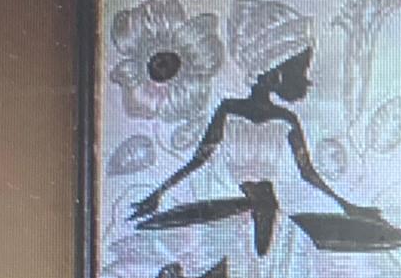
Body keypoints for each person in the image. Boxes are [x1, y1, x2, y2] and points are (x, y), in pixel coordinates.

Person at [130, 48, 376, 225]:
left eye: (277, 72)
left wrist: (346, 206)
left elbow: (307, 172)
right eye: (272, 70)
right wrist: (158, 193)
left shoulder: (286, 119)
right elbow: (199, 160)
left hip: (268, 210)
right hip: (241, 207)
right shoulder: (228, 109)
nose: (271, 77)